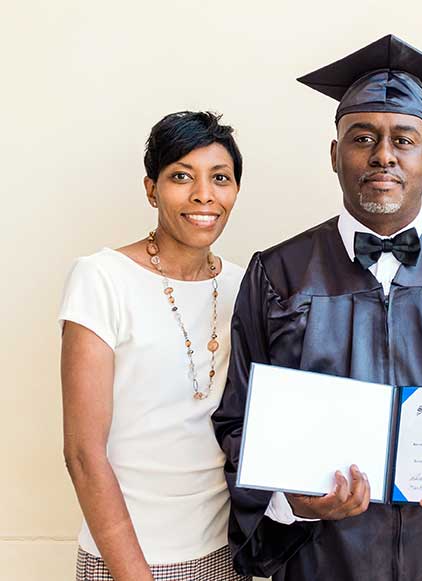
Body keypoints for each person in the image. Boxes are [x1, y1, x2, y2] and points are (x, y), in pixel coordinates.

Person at [212, 34, 422, 580]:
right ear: (334, 154)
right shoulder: (279, 275)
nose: (383, 154)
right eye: (362, 138)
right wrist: (291, 503)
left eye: (403, 139)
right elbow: (238, 419)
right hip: (324, 557)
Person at [59, 111, 249, 581]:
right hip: (126, 560)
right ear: (151, 189)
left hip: (225, 554)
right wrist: (133, 573)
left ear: (235, 192)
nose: (204, 194)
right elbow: (83, 453)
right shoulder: (102, 279)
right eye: (181, 176)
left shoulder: (244, 285)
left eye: (219, 178)